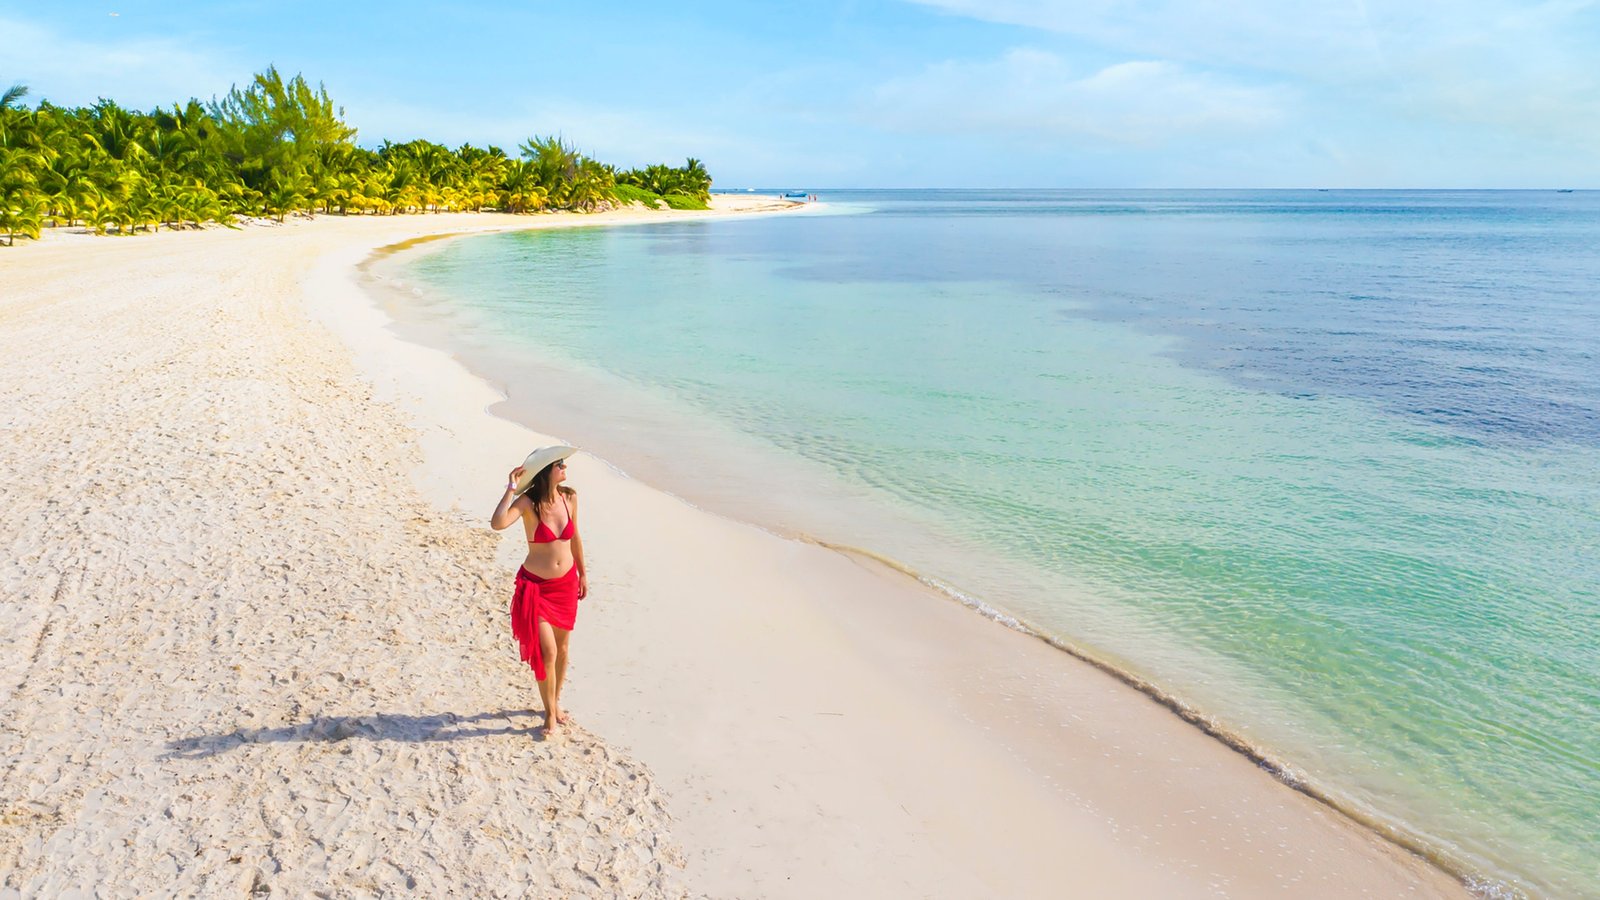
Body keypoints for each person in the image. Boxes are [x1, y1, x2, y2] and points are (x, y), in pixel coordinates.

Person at [490, 445, 588, 735]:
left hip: (566, 585)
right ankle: (549, 714)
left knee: (563, 649)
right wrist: (510, 489)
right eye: (560, 464)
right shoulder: (528, 503)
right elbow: (498, 523)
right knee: (548, 652)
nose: (565, 468)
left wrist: (583, 573)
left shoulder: (570, 498)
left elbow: (576, 538)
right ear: (547, 471)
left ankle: (555, 702)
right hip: (537, 587)